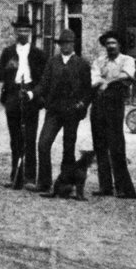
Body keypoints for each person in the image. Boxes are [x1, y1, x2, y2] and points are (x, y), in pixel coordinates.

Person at [27, 29, 91, 195]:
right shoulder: (52, 62)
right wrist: (32, 93)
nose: (65, 46)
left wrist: (82, 104)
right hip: (54, 110)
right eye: (62, 43)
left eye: (68, 43)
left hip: (72, 112)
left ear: (73, 44)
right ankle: (44, 182)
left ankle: (66, 184)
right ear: (59, 45)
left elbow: (88, 89)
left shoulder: (82, 64)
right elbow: (44, 84)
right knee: (43, 144)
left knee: (68, 148)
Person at [0, 16, 47, 188]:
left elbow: (45, 79)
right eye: (20, 30)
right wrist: (7, 68)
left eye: (26, 30)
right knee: (15, 137)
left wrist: (34, 93)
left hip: (30, 94)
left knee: (30, 137)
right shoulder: (8, 52)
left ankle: (30, 177)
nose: (23, 33)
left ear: (30, 32)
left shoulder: (39, 54)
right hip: (12, 94)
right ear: (15, 32)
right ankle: (15, 177)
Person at [90, 31, 136, 198]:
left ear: (119, 45)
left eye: (114, 43)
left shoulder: (127, 60)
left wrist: (108, 81)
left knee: (116, 146)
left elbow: (127, 75)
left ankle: (123, 187)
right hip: (98, 105)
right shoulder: (99, 61)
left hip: (115, 106)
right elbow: (94, 79)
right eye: (108, 43)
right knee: (100, 145)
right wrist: (103, 82)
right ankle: (105, 186)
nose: (111, 46)